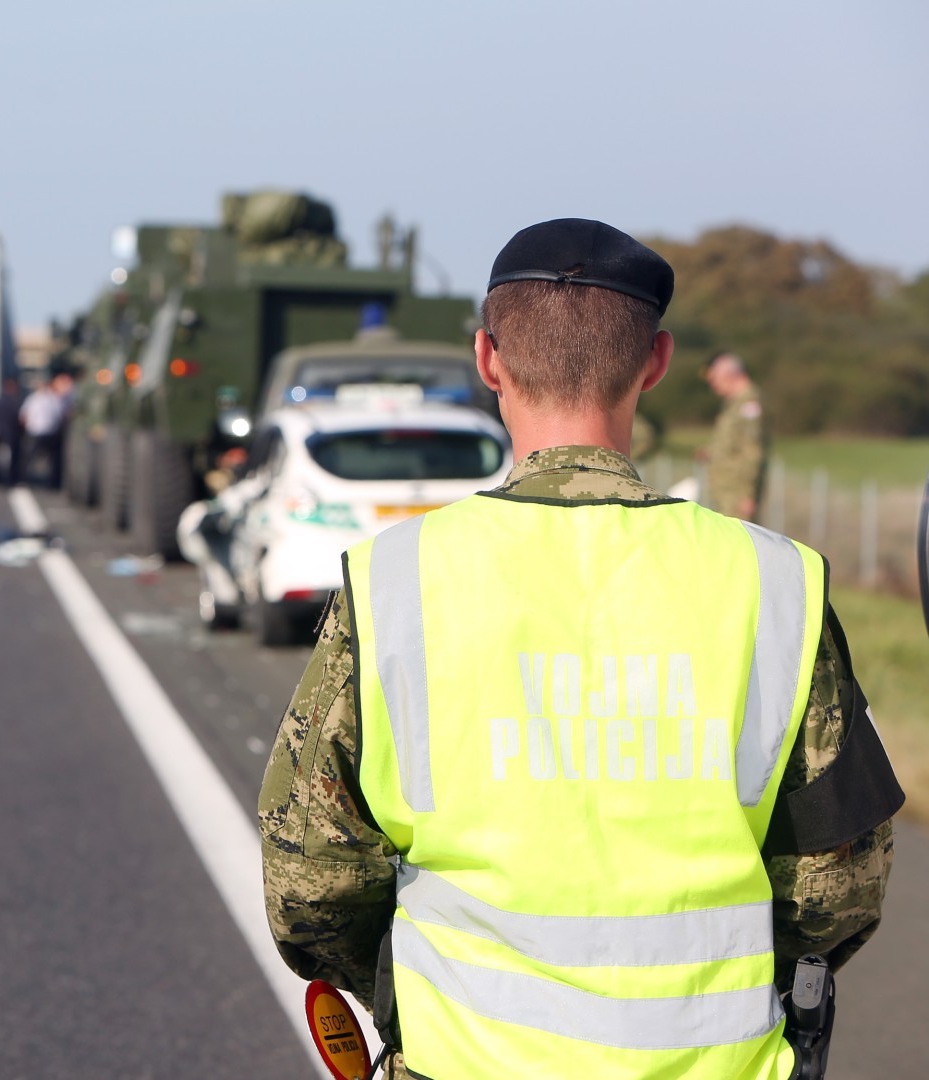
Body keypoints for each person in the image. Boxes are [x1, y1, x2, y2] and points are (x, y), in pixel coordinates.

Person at [257, 219, 900, 1080]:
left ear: (488, 360)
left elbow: (313, 882)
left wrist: (400, 986)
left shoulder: (395, 580)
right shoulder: (775, 581)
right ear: (656, 362)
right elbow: (837, 888)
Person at [701, 351, 770, 520]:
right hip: (727, 492)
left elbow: (752, 450)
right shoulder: (735, 403)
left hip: (737, 496)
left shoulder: (749, 403)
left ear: (729, 375)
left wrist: (747, 495)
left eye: (714, 379)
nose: (714, 386)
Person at [20, 374, 68, 489]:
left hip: (43, 433)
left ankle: (47, 482)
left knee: (42, 459)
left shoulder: (38, 398)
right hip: (42, 432)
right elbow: (61, 414)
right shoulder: (43, 399)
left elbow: (24, 415)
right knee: (33, 459)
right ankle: (29, 480)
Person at [0, 376, 25, 487]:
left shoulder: (1, 401)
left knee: (4, 457)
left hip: (2, 433)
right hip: (12, 433)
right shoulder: (16, 402)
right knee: (12, 458)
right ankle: (11, 479)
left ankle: (5, 479)